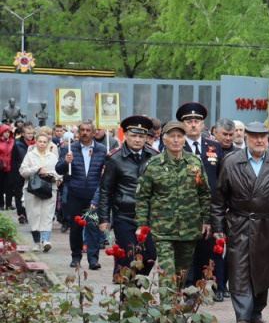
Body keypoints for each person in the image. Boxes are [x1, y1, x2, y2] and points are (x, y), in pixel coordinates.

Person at [212, 122, 269, 323]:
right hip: (239, 223)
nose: (259, 140)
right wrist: (218, 226)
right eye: (254, 136)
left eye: (263, 136)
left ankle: (256, 312)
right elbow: (219, 197)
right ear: (247, 138)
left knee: (262, 269)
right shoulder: (232, 162)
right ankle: (242, 315)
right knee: (239, 268)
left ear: (268, 138)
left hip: (267, 224)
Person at [135, 121, 211, 283]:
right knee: (167, 274)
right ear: (164, 139)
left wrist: (206, 220)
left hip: (189, 229)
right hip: (163, 230)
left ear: (184, 139)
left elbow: (204, 193)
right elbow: (143, 197)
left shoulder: (194, 163)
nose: (176, 140)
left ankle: (175, 305)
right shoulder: (154, 165)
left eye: (179, 136)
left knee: (181, 275)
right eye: (172, 136)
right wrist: (142, 225)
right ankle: (167, 307)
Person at [96, 116, 158, 278]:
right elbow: (105, 191)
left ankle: (135, 288)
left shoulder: (155, 157)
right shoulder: (115, 158)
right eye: (134, 136)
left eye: (141, 136)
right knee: (130, 256)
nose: (137, 140)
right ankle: (128, 299)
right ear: (126, 136)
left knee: (150, 256)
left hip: (149, 216)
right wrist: (104, 218)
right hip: (124, 215)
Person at [176, 102, 224, 291]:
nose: (193, 124)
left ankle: (204, 287)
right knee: (187, 252)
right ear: (183, 124)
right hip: (185, 210)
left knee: (207, 251)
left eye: (197, 121)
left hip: (209, 210)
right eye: (189, 121)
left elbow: (220, 178)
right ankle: (187, 287)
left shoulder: (214, 147)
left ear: (203, 124)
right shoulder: (175, 146)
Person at [55, 120, 107, 270]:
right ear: (78, 132)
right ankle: (76, 257)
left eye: (88, 130)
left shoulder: (102, 150)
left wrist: (98, 196)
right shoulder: (69, 149)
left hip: (93, 193)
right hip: (75, 193)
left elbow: (106, 174)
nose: (85, 133)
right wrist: (65, 162)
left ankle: (93, 259)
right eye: (82, 130)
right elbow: (59, 170)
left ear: (93, 132)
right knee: (76, 227)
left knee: (93, 227)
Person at [19, 127, 60, 252]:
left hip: (49, 189)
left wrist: (50, 174)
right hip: (32, 189)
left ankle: (46, 240)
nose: (42, 144)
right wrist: (36, 169)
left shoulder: (52, 157)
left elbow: (59, 174)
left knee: (47, 214)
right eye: (40, 141)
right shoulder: (30, 155)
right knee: (34, 215)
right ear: (36, 142)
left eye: (44, 142)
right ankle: (37, 242)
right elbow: (23, 171)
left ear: (48, 143)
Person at [10, 125, 33, 223]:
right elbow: (13, 160)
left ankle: (29, 214)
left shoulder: (34, 144)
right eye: (28, 133)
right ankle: (21, 213)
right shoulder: (17, 144)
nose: (30, 135)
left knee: (29, 193)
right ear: (23, 134)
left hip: (31, 172)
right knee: (19, 193)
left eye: (32, 133)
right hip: (19, 172)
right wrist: (15, 173)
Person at [0, 125, 14, 211]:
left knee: (9, 187)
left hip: (10, 167)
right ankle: (1, 204)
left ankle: (9, 204)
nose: (7, 134)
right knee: (0, 186)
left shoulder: (13, 142)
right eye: (5, 132)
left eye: (9, 132)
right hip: (0, 167)